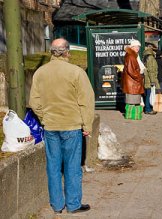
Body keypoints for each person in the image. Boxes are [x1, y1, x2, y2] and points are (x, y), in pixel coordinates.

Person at [29, 38, 95, 214]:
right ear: (67, 52)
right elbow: (86, 101)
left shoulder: (40, 73)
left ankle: (57, 204)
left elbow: (34, 102)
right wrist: (87, 125)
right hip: (71, 125)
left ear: (51, 52)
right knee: (72, 166)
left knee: (53, 166)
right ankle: (73, 204)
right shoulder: (76, 72)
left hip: (50, 126)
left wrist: (45, 117)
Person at [122, 39, 144, 107]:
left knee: (132, 102)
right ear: (131, 47)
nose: (137, 48)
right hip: (133, 83)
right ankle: (132, 115)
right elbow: (131, 70)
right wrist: (139, 78)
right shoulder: (131, 56)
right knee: (133, 102)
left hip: (132, 82)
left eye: (138, 46)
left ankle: (132, 114)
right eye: (135, 46)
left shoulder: (132, 55)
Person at [143, 45, 160, 115]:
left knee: (148, 94)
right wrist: (153, 81)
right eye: (154, 50)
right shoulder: (150, 58)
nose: (155, 52)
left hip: (147, 78)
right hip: (149, 79)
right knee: (149, 94)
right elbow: (151, 70)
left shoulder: (146, 57)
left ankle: (148, 107)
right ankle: (148, 109)